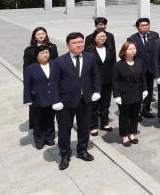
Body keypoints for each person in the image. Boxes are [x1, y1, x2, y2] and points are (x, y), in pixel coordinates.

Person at [50, 32, 102, 170]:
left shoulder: (90, 57)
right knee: (64, 129)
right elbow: (53, 83)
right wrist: (55, 100)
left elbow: (96, 75)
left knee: (84, 127)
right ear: (68, 45)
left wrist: (97, 91)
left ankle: (82, 150)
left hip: (85, 100)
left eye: (81, 42)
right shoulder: (59, 61)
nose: (79, 44)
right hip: (65, 102)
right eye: (75, 42)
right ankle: (65, 155)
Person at [23, 27, 60, 135]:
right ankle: (39, 133)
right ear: (34, 36)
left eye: (43, 33)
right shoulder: (29, 49)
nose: (41, 35)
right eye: (38, 34)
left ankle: (49, 135)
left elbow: (56, 63)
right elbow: (26, 67)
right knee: (37, 113)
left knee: (50, 112)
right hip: (36, 83)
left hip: (49, 82)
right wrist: (28, 85)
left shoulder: (52, 47)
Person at [112, 41, 147, 147]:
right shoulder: (118, 65)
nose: (132, 51)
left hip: (137, 93)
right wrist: (116, 95)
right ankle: (124, 135)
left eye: (134, 49)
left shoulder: (139, 61)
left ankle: (132, 133)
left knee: (135, 115)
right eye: (130, 49)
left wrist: (145, 89)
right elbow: (115, 81)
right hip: (124, 95)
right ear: (124, 51)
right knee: (124, 116)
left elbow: (143, 77)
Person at [128, 18, 159, 120]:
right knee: (137, 91)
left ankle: (146, 109)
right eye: (142, 25)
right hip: (138, 69)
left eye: (146, 25)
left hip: (151, 69)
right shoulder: (132, 38)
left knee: (149, 89)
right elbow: (130, 55)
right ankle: (137, 112)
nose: (144, 27)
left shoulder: (154, 35)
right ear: (137, 27)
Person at [86, 28, 115, 136]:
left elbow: (112, 64)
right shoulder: (89, 50)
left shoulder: (109, 48)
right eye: (99, 36)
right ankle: (92, 126)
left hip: (108, 80)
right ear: (94, 38)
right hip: (94, 82)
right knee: (94, 105)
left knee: (105, 103)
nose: (102, 38)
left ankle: (104, 123)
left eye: (104, 36)